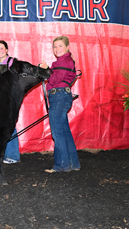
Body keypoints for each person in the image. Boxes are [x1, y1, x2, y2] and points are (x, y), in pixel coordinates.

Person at [39, 36, 80, 173]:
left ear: (67, 47)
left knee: (57, 132)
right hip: (61, 96)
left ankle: (61, 166)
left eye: (60, 46)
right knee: (64, 131)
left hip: (59, 96)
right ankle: (73, 163)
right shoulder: (65, 61)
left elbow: (55, 79)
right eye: (55, 46)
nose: (57, 49)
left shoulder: (64, 61)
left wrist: (47, 70)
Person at [0, 40, 21, 164]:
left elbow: (16, 80)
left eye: (1, 48)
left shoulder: (12, 62)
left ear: (6, 50)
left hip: (9, 98)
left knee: (10, 126)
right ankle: (1, 155)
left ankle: (13, 156)